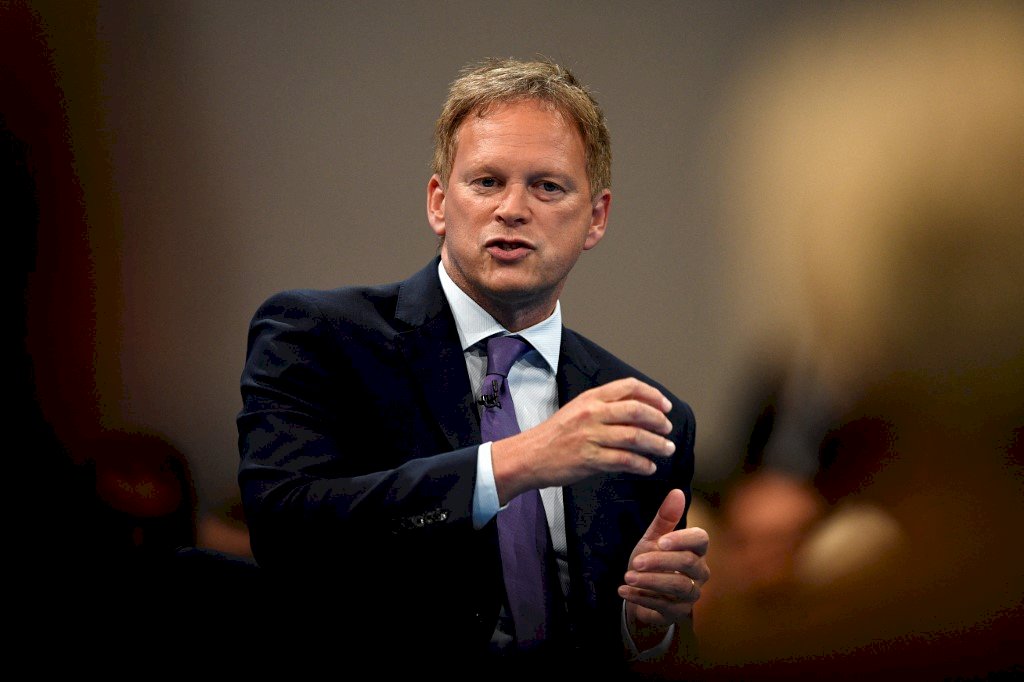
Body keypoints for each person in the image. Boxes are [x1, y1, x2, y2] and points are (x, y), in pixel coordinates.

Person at [236, 57, 708, 676]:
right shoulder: (319, 337)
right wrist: (517, 462)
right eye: (487, 181)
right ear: (439, 202)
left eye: (548, 186)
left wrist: (644, 630)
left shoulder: (646, 418)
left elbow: (652, 645)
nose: (512, 208)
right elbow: (286, 530)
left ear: (596, 218)